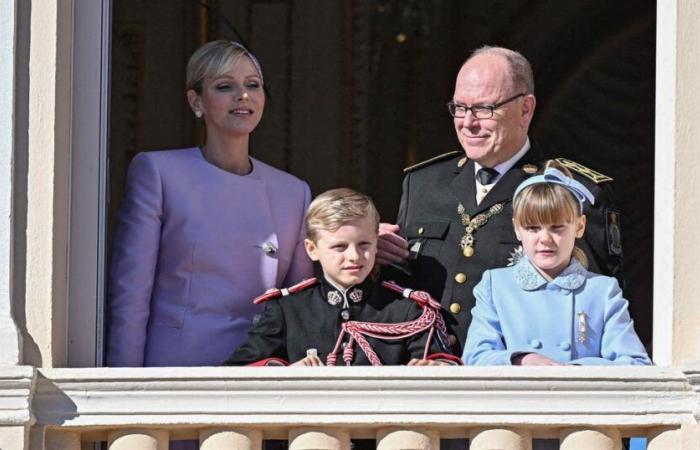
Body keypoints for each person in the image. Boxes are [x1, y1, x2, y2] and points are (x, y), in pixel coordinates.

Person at [378, 46, 624, 354]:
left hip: (517, 380)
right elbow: (400, 289)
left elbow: (594, 312)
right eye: (459, 107)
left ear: (525, 109)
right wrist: (371, 258)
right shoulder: (423, 183)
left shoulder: (572, 191)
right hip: (428, 373)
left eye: (484, 109)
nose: (468, 123)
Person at [107, 40, 313, 368]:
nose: (242, 95)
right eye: (224, 86)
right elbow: (130, 295)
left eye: (253, 85)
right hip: (178, 369)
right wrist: (121, 387)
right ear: (196, 101)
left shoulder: (293, 192)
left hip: (260, 373)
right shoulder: (159, 172)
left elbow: (303, 304)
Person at [226, 188, 460, 366]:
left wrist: (430, 369)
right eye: (339, 246)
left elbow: (445, 369)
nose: (354, 256)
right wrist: (285, 374)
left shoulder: (408, 311)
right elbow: (237, 373)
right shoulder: (288, 310)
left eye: (364, 244)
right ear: (311, 249)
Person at [463, 162, 650, 366]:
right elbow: (475, 357)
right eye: (533, 228)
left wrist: (572, 372)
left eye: (557, 228)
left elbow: (635, 363)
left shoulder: (602, 291)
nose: (545, 239)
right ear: (517, 228)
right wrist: (522, 360)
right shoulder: (495, 285)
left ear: (579, 226)